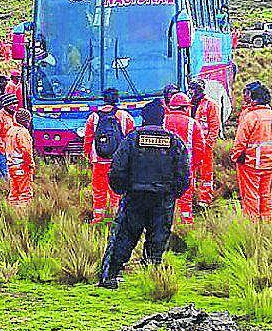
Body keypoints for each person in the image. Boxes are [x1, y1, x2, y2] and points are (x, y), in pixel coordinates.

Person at [98, 100, 189, 289]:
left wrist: (122, 189)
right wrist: (174, 193)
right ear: (162, 119)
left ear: (144, 118)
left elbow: (118, 169)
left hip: (135, 196)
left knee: (124, 236)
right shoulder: (174, 142)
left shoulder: (132, 139)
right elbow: (183, 173)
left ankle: (110, 276)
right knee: (158, 238)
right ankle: (151, 278)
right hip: (163, 198)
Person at [231, 84, 272, 221]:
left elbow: (240, 141)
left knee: (251, 195)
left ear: (253, 100)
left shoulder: (250, 117)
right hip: (269, 163)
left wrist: (236, 157)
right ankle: (267, 223)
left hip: (251, 163)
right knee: (266, 195)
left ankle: (252, 224)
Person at [83, 88, 134, 223]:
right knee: (116, 189)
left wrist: (88, 155)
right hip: (118, 161)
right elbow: (130, 138)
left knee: (99, 189)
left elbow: (88, 139)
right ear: (117, 99)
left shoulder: (93, 117)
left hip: (99, 160)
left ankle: (98, 217)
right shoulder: (125, 116)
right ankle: (116, 216)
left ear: (104, 99)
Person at [163, 93, 205, 224]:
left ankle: (166, 221)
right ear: (186, 108)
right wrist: (195, 165)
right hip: (186, 166)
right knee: (185, 195)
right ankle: (185, 221)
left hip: (164, 167)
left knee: (165, 195)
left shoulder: (162, 121)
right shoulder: (193, 124)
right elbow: (199, 148)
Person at [188, 81, 220, 207]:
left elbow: (214, 126)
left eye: (193, 88)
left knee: (205, 173)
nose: (191, 91)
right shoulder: (188, 104)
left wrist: (208, 143)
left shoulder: (210, 104)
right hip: (190, 144)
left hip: (204, 145)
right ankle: (190, 198)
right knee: (190, 172)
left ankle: (205, 199)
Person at [6, 108, 35, 208]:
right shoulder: (22, 132)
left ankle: (12, 210)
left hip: (11, 166)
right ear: (26, 121)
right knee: (25, 193)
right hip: (22, 166)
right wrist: (30, 164)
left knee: (14, 192)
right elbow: (26, 151)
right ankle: (23, 212)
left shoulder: (11, 131)